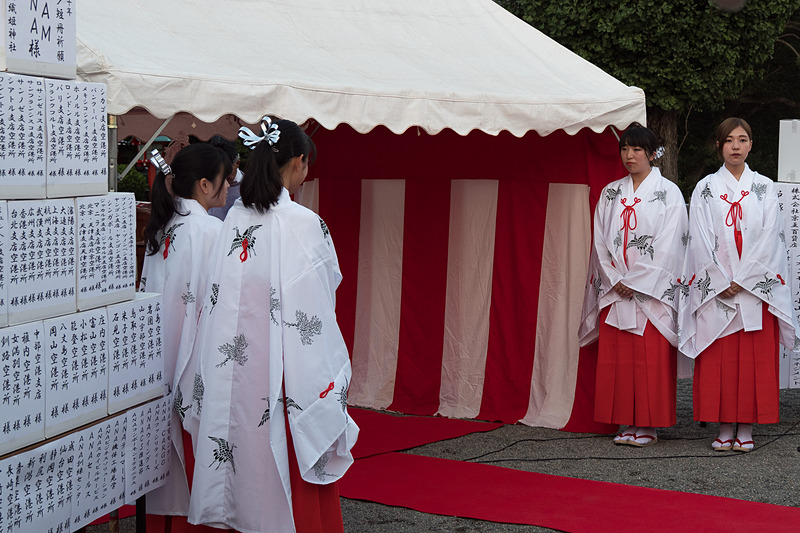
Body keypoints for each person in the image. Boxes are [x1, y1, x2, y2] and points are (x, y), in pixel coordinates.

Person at [187, 117, 358, 533]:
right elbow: (316, 311)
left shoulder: (232, 221)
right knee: (286, 480)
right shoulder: (305, 226)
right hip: (283, 382)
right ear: (298, 162)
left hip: (232, 378)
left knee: (237, 468)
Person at [680, 117, 797, 452]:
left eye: (742, 139)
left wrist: (743, 280)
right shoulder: (705, 188)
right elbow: (698, 239)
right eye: (728, 140)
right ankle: (723, 425)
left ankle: (745, 426)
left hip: (753, 290)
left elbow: (772, 238)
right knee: (721, 359)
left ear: (751, 145)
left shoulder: (765, 187)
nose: (735, 146)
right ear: (719, 145)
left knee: (751, 360)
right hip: (718, 288)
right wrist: (720, 279)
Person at [139, 143, 231, 527]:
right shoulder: (210, 229)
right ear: (206, 185)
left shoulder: (162, 225)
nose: (230, 189)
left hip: (156, 358)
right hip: (195, 356)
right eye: (227, 181)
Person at [579, 123, 687, 447]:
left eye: (637, 149)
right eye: (625, 148)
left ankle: (649, 425)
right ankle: (624, 421)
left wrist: (637, 281)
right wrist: (615, 279)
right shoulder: (611, 192)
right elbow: (599, 240)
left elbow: (671, 244)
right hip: (616, 289)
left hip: (649, 292)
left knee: (648, 358)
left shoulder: (669, 193)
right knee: (619, 359)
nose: (630, 155)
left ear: (653, 153)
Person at [207, 134, 243, 220]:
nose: (223, 182)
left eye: (226, 174)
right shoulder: (205, 182)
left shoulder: (249, 185)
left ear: (237, 164)